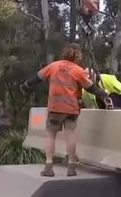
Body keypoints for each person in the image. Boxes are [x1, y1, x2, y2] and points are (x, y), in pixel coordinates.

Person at [20, 43, 109, 177]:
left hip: (55, 108)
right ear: (78, 55)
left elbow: (37, 77)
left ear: (64, 52)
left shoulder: (54, 66)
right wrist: (104, 93)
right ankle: (71, 167)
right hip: (71, 109)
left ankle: (49, 167)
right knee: (71, 135)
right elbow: (91, 87)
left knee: (51, 136)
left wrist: (25, 86)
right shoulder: (78, 70)